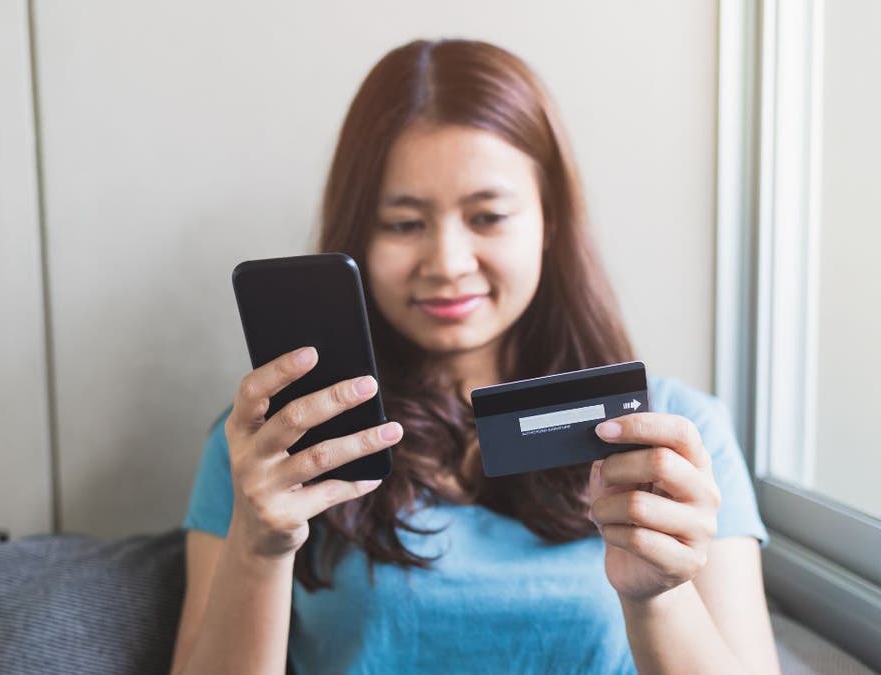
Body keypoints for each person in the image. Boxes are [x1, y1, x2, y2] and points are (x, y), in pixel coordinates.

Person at [169, 39, 780, 675]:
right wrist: (261, 549)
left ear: (550, 223)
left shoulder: (680, 433)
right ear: (359, 235)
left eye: (487, 216)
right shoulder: (273, 447)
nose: (448, 264)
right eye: (404, 224)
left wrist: (657, 596)